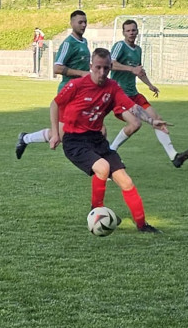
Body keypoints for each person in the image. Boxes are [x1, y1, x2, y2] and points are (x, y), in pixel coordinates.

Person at [48, 47, 166, 233]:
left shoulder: (112, 87)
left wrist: (152, 120)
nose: (102, 72)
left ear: (110, 67)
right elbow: (55, 104)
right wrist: (55, 133)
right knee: (102, 167)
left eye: (106, 68)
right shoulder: (77, 85)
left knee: (125, 181)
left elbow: (132, 107)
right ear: (91, 66)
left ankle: (143, 225)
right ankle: (96, 212)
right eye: (98, 68)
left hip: (97, 140)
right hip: (75, 141)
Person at [108, 18, 188, 168]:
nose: (131, 33)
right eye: (128, 31)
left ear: (137, 31)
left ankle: (174, 156)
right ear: (123, 33)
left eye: (133, 30)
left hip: (134, 93)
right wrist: (131, 69)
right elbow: (111, 64)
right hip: (119, 95)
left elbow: (139, 71)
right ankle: (111, 152)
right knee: (135, 125)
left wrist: (150, 85)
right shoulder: (119, 46)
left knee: (157, 118)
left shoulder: (138, 50)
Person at [16, 10, 91, 157]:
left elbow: (82, 64)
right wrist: (82, 73)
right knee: (63, 135)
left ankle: (103, 165)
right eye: (80, 22)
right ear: (72, 23)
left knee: (97, 129)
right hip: (68, 93)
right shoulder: (68, 44)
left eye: (85, 22)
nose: (83, 25)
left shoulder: (84, 41)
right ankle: (25, 138)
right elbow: (57, 68)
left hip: (82, 93)